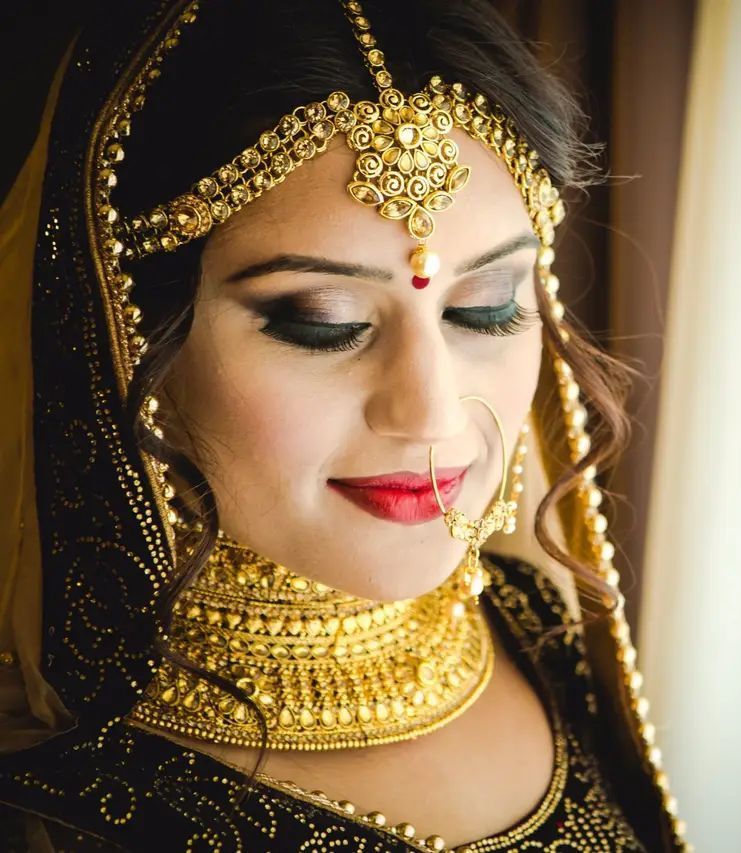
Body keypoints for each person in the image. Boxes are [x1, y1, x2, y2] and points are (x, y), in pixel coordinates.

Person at [0, 0, 687, 849]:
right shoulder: (54, 799)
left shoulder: (535, 626)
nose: (431, 414)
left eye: (486, 309)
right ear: (119, 331)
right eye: (321, 322)